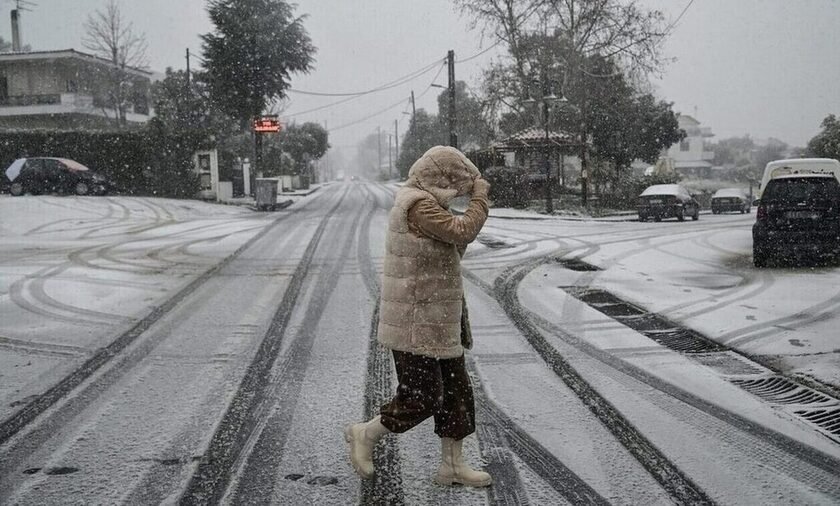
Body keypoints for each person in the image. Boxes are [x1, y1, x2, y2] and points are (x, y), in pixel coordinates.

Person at [345, 145, 492, 487]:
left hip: (440, 319)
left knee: (456, 395)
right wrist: (480, 199)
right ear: (440, 178)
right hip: (415, 323)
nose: (460, 191)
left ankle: (452, 466)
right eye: (456, 183)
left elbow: (452, 246)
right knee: (421, 396)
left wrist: (468, 210)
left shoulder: (428, 204)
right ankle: (366, 433)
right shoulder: (417, 204)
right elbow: (462, 231)